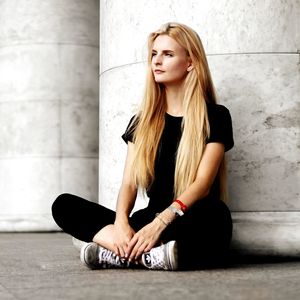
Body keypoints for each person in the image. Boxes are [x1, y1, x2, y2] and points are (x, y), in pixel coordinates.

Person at [52, 22, 234, 271]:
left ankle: (119, 254)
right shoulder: (142, 122)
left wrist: (161, 223)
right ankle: (147, 254)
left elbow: (202, 184)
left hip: (187, 216)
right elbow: (129, 183)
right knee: (64, 205)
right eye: (154, 54)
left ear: (190, 62)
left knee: (217, 216)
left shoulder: (215, 116)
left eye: (168, 54)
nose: (156, 61)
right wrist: (121, 223)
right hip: (147, 220)